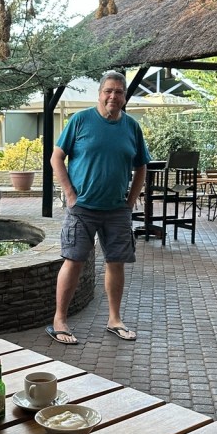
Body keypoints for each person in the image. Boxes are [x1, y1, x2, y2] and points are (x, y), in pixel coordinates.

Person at [48, 70, 150, 345]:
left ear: (124, 97)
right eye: (109, 91)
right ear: (100, 93)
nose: (113, 96)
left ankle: (114, 319)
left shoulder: (132, 127)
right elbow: (56, 158)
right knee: (74, 261)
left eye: (118, 92)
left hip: (117, 209)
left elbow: (141, 166)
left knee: (116, 262)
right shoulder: (81, 120)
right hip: (83, 208)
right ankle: (59, 319)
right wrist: (70, 193)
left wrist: (130, 202)